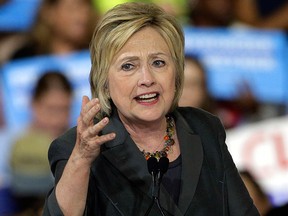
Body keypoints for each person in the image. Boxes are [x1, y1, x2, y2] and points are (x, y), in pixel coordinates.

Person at [43, 2, 259, 216]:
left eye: (158, 63)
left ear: (176, 71)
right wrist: (81, 159)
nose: (146, 79)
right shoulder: (75, 148)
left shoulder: (205, 128)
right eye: (128, 66)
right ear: (104, 81)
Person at [10, 71, 73, 215]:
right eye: (51, 109)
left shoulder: (80, 144)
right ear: (34, 105)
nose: (57, 120)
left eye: (64, 109)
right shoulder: (10, 145)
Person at [9, 0, 98, 60]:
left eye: (86, 10)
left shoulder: (97, 54)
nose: (82, 17)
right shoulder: (25, 57)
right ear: (49, 13)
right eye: (72, 9)